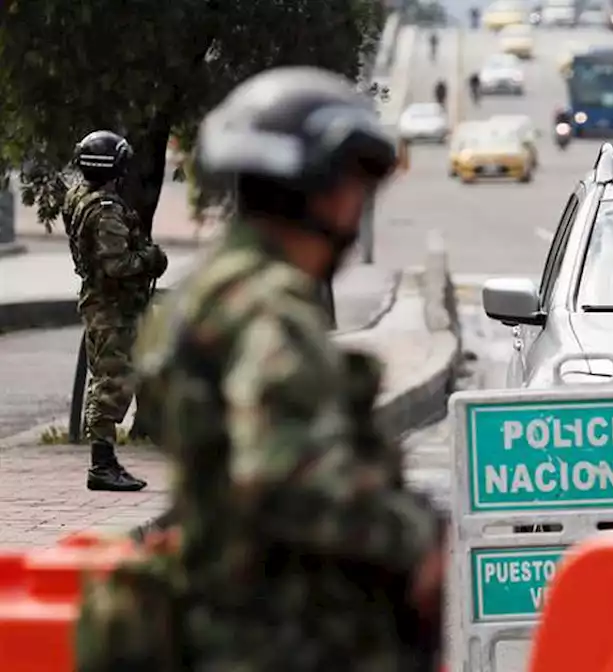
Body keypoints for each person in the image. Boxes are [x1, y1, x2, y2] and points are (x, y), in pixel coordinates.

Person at [130, 66, 447, 668]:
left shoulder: (209, 294)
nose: (359, 209)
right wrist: (411, 535)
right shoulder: (273, 309)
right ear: (320, 192)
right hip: (281, 642)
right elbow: (282, 477)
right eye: (355, 187)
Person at [63, 130, 166, 492]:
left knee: (109, 377)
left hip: (101, 302)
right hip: (112, 307)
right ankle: (102, 466)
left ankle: (107, 461)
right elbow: (117, 265)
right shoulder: (105, 211)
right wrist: (152, 259)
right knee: (112, 381)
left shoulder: (79, 197)